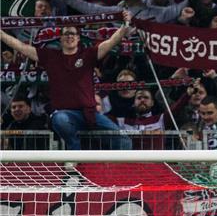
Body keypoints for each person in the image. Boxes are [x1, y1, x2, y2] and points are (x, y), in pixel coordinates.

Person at [0, 11, 134, 150]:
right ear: (60, 39)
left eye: (73, 34)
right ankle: (74, 159)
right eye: (66, 34)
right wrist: (1, 34)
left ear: (78, 38)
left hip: (90, 113)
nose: (69, 36)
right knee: (60, 120)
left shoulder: (89, 54)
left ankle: (117, 170)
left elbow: (112, 41)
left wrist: (126, 24)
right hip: (64, 113)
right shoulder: (50, 56)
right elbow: (21, 47)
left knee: (124, 141)